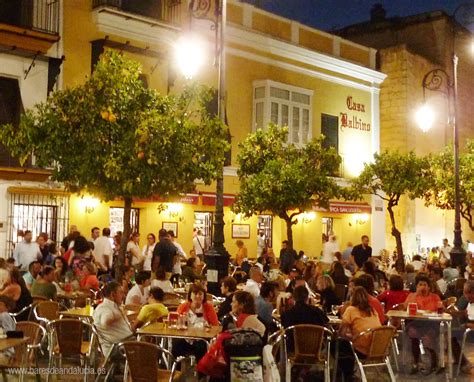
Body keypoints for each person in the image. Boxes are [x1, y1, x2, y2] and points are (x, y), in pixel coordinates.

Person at [337, 286, 382, 381]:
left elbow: (342, 332)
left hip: (362, 348)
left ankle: (345, 374)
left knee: (338, 344)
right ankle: (349, 373)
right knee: (345, 345)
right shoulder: (372, 311)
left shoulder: (351, 310)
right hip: (377, 348)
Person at [404, 273, 442, 374]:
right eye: (420, 284)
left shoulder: (435, 297)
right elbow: (405, 307)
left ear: (429, 287)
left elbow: (440, 310)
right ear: (416, 286)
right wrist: (416, 294)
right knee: (412, 333)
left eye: (425, 285)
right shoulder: (412, 296)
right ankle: (416, 362)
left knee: (429, 337)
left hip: (431, 323)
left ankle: (434, 362)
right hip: (416, 323)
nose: (422, 287)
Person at [93, 281, 134, 357]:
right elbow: (105, 321)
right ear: (112, 295)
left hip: (126, 343)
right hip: (117, 348)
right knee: (151, 351)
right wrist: (121, 314)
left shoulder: (115, 306)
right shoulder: (104, 307)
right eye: (121, 293)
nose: (124, 295)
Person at [0, 296, 16, 362]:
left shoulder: (4, 315)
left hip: (6, 353)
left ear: (8, 307)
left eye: (0, 304)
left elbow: (9, 333)